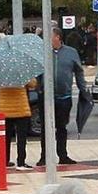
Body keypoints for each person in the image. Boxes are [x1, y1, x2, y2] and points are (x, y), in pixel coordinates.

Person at [39, 34, 87, 167]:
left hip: (64, 96)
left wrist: (83, 88)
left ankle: (62, 155)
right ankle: (44, 156)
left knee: (61, 127)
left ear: (58, 37)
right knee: (45, 128)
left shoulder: (71, 52)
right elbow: (36, 71)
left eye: (50, 36)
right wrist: (38, 88)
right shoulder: (42, 52)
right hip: (46, 97)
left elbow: (79, 72)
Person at [0, 78, 34, 169]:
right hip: (21, 108)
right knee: (21, 138)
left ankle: (5, 161)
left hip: (4, 109)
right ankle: (21, 162)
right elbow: (33, 84)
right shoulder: (22, 74)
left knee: (5, 138)